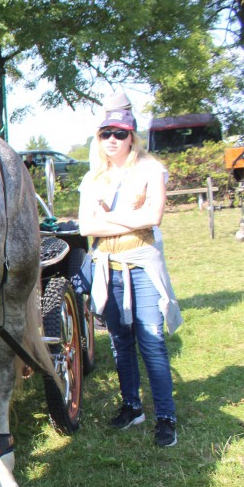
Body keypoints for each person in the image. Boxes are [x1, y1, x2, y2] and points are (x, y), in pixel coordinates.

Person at [77, 109, 183, 447]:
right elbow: (87, 227)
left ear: (132, 136)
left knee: (152, 342)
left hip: (141, 265)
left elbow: (155, 216)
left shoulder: (152, 169)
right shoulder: (93, 178)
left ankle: (165, 416)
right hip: (109, 266)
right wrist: (133, 217)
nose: (112, 140)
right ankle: (132, 406)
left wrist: (113, 216)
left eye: (120, 133)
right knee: (121, 342)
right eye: (106, 132)